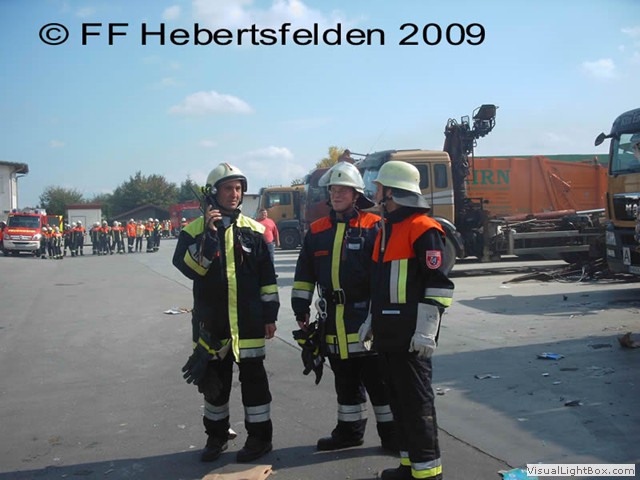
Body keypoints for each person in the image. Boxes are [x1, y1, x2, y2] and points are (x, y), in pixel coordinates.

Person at [172, 162, 279, 464]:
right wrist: (208, 237)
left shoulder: (255, 231)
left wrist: (270, 316)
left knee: (255, 385)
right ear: (213, 193)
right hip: (212, 326)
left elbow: (267, 280)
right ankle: (216, 437)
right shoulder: (193, 232)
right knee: (214, 388)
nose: (234, 194)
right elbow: (190, 269)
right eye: (228, 188)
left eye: (238, 188)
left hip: (249, 324)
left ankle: (260, 440)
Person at [291, 161, 397, 452]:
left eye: (343, 190)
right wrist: (300, 307)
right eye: (333, 190)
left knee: (379, 382)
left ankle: (393, 436)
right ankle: (349, 433)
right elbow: (304, 274)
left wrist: (383, 314)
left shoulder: (374, 226)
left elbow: (386, 274)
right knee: (345, 381)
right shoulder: (317, 231)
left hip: (366, 318)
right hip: (333, 321)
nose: (337, 195)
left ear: (356, 194)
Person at [359, 160, 454, 480]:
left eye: (379, 187)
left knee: (416, 405)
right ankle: (409, 466)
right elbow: (379, 286)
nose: (375, 192)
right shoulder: (385, 230)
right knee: (398, 403)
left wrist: (426, 332)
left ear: (392, 192)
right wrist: (371, 319)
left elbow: (438, 286)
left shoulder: (424, 229)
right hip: (388, 334)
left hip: (411, 337)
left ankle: (429, 474)